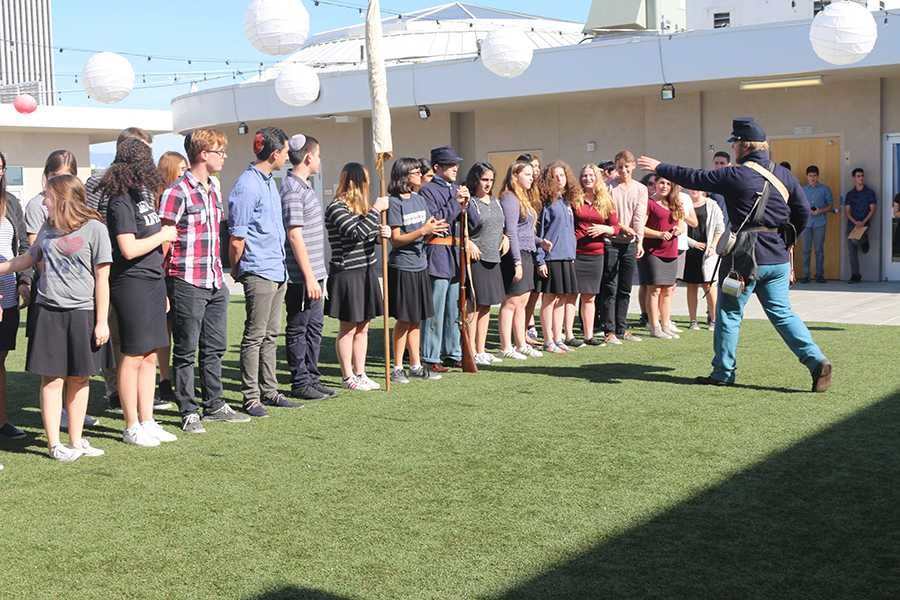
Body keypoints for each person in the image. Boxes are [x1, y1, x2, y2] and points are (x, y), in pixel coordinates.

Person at [638, 117, 832, 392]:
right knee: (783, 314)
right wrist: (786, 241)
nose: (733, 149)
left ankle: (723, 372)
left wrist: (661, 168)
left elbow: (695, 177)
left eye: (735, 143)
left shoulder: (735, 174)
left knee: (729, 314)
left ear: (744, 146)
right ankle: (816, 361)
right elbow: (800, 214)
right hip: (776, 256)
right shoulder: (783, 174)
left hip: (743, 259)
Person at [0, 174, 112, 462]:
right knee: (51, 380)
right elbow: (27, 259)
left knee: (79, 378)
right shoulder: (47, 228)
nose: (43, 201)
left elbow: (102, 278)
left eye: (47, 195)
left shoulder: (95, 229)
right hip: (48, 312)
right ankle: (54, 444)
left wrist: (101, 321)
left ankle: (75, 440)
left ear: (62, 197)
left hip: (82, 313)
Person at [160, 129, 251, 433]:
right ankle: (188, 409)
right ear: (202, 154)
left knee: (214, 346)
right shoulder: (177, 192)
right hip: (186, 280)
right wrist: (164, 286)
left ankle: (215, 403)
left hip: (214, 280)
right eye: (219, 151)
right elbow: (165, 241)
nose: (223, 156)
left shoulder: (213, 188)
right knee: (186, 349)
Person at [99, 138, 179, 447]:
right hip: (129, 284)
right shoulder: (120, 200)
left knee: (150, 355)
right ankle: (131, 425)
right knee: (132, 356)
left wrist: (161, 286)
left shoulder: (141, 196)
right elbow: (128, 248)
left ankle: (148, 420)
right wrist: (163, 234)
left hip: (151, 282)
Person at [229, 127, 302, 417]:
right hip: (259, 269)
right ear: (274, 154)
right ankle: (251, 397)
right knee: (255, 335)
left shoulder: (269, 181)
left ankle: (269, 391)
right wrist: (238, 268)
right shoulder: (247, 184)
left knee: (271, 335)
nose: (288, 156)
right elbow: (237, 237)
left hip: (277, 268)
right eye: (285, 152)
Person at [323, 163, 389, 390]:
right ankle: (347, 376)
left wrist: (382, 234)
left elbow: (368, 236)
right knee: (349, 326)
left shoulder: (363, 208)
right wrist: (376, 211)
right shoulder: (336, 208)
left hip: (367, 270)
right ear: (356, 181)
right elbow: (357, 232)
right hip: (347, 274)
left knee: (364, 325)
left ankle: (360, 373)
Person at [281, 135, 336, 401]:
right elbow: (294, 236)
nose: (320, 160)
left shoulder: (304, 187)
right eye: (319, 154)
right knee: (300, 327)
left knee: (314, 327)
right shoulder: (292, 189)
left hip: (315, 273)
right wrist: (309, 277)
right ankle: (300, 381)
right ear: (308, 157)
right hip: (302, 276)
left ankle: (312, 377)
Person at [387, 158, 445, 383]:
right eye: (416, 172)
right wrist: (423, 230)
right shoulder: (394, 202)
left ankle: (416, 365)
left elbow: (425, 231)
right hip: (403, 266)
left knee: (417, 318)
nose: (421, 175)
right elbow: (397, 238)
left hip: (421, 264)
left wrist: (433, 230)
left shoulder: (420, 199)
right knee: (404, 318)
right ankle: (398, 367)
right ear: (404, 175)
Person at [419, 146, 474, 372]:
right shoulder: (428, 191)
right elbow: (438, 221)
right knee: (436, 310)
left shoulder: (456, 190)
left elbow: (474, 223)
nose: (455, 168)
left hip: (454, 254)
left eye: (455, 165)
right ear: (436, 167)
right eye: (450, 165)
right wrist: (456, 202)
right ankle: (431, 356)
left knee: (454, 308)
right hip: (438, 254)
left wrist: (467, 203)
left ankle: (453, 351)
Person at [0, 151, 31, 442]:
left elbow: (23, 246)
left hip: (9, 295)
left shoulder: (11, 203)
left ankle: (2, 420)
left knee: (1, 360)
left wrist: (24, 282)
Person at [498, 160, 543, 360]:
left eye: (532, 174)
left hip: (526, 251)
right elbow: (511, 231)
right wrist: (516, 262)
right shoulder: (509, 197)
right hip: (514, 255)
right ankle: (506, 346)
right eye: (527, 174)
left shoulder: (523, 197)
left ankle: (521, 343)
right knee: (512, 301)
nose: (531, 177)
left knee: (522, 302)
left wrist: (540, 242)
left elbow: (525, 231)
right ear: (515, 176)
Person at [601, 150, 647, 345]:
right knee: (610, 286)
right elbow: (606, 213)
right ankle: (608, 330)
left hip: (629, 243)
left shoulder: (640, 189)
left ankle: (621, 328)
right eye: (620, 167)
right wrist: (621, 229)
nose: (623, 170)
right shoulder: (607, 187)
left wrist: (640, 241)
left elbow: (639, 216)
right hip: (611, 241)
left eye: (627, 167)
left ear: (633, 166)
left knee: (625, 288)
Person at [154, 150, 189, 401]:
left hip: (178, 270)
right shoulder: (162, 199)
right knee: (164, 331)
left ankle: (178, 380)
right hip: (163, 272)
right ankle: (164, 379)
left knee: (182, 330)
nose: (185, 173)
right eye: (181, 169)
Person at [464, 162, 507, 365]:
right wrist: (467, 242)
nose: (488, 183)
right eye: (484, 179)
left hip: (493, 258)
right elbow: (460, 227)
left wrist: (505, 236)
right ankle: (470, 351)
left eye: (491, 180)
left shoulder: (496, 201)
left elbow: (500, 224)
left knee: (487, 306)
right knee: (473, 306)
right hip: (476, 260)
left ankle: (481, 350)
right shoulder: (470, 203)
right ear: (475, 179)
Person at [535, 160, 580, 353]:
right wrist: (540, 259)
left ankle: (558, 336)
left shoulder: (566, 201)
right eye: (554, 176)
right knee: (549, 299)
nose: (559, 179)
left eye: (562, 175)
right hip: (551, 257)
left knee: (562, 298)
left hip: (566, 257)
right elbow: (540, 232)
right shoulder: (546, 203)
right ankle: (548, 340)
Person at [572, 164, 619, 346]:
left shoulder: (606, 200)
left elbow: (615, 227)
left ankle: (588, 335)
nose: (587, 179)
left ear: (597, 178)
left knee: (590, 296)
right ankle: (567, 335)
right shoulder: (574, 199)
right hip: (576, 252)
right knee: (571, 295)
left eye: (591, 175)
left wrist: (604, 228)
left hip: (596, 254)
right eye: (584, 175)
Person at [639, 177, 685, 339]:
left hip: (671, 251)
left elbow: (682, 223)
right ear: (655, 184)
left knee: (667, 290)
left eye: (668, 183)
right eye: (661, 183)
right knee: (654, 290)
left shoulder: (675, 203)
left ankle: (666, 324)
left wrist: (679, 229)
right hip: (653, 251)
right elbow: (640, 227)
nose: (664, 186)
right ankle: (654, 326)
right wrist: (658, 234)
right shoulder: (649, 203)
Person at [681, 189, 725, 331]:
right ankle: (693, 320)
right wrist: (693, 243)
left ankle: (713, 319)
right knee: (692, 286)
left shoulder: (712, 205)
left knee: (709, 285)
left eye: (697, 188)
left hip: (708, 252)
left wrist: (713, 246)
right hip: (689, 250)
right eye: (691, 188)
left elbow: (720, 227)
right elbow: (679, 227)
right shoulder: (683, 204)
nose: (693, 190)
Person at [517, 153, 543, 346]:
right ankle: (524, 331)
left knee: (534, 291)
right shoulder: (516, 196)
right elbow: (513, 229)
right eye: (531, 168)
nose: (535, 171)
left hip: (535, 243)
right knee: (519, 296)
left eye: (537, 167)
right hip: (523, 249)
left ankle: (526, 327)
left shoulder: (537, 191)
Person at [799, 165, 833, 283]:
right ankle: (805, 275)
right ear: (807, 177)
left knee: (819, 250)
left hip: (820, 223)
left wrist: (820, 211)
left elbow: (830, 206)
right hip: (806, 224)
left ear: (818, 176)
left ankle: (819, 275)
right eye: (810, 176)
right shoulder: (802, 190)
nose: (812, 178)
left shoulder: (825, 189)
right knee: (806, 250)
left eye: (814, 176)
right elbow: (799, 205)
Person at [844, 167, 877, 283]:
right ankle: (856, 275)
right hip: (852, 224)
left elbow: (872, 209)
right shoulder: (850, 194)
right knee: (851, 251)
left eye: (862, 176)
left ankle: (864, 240)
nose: (861, 178)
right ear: (854, 178)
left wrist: (862, 222)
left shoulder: (870, 192)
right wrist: (855, 222)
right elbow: (847, 211)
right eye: (858, 176)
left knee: (855, 240)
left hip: (864, 223)